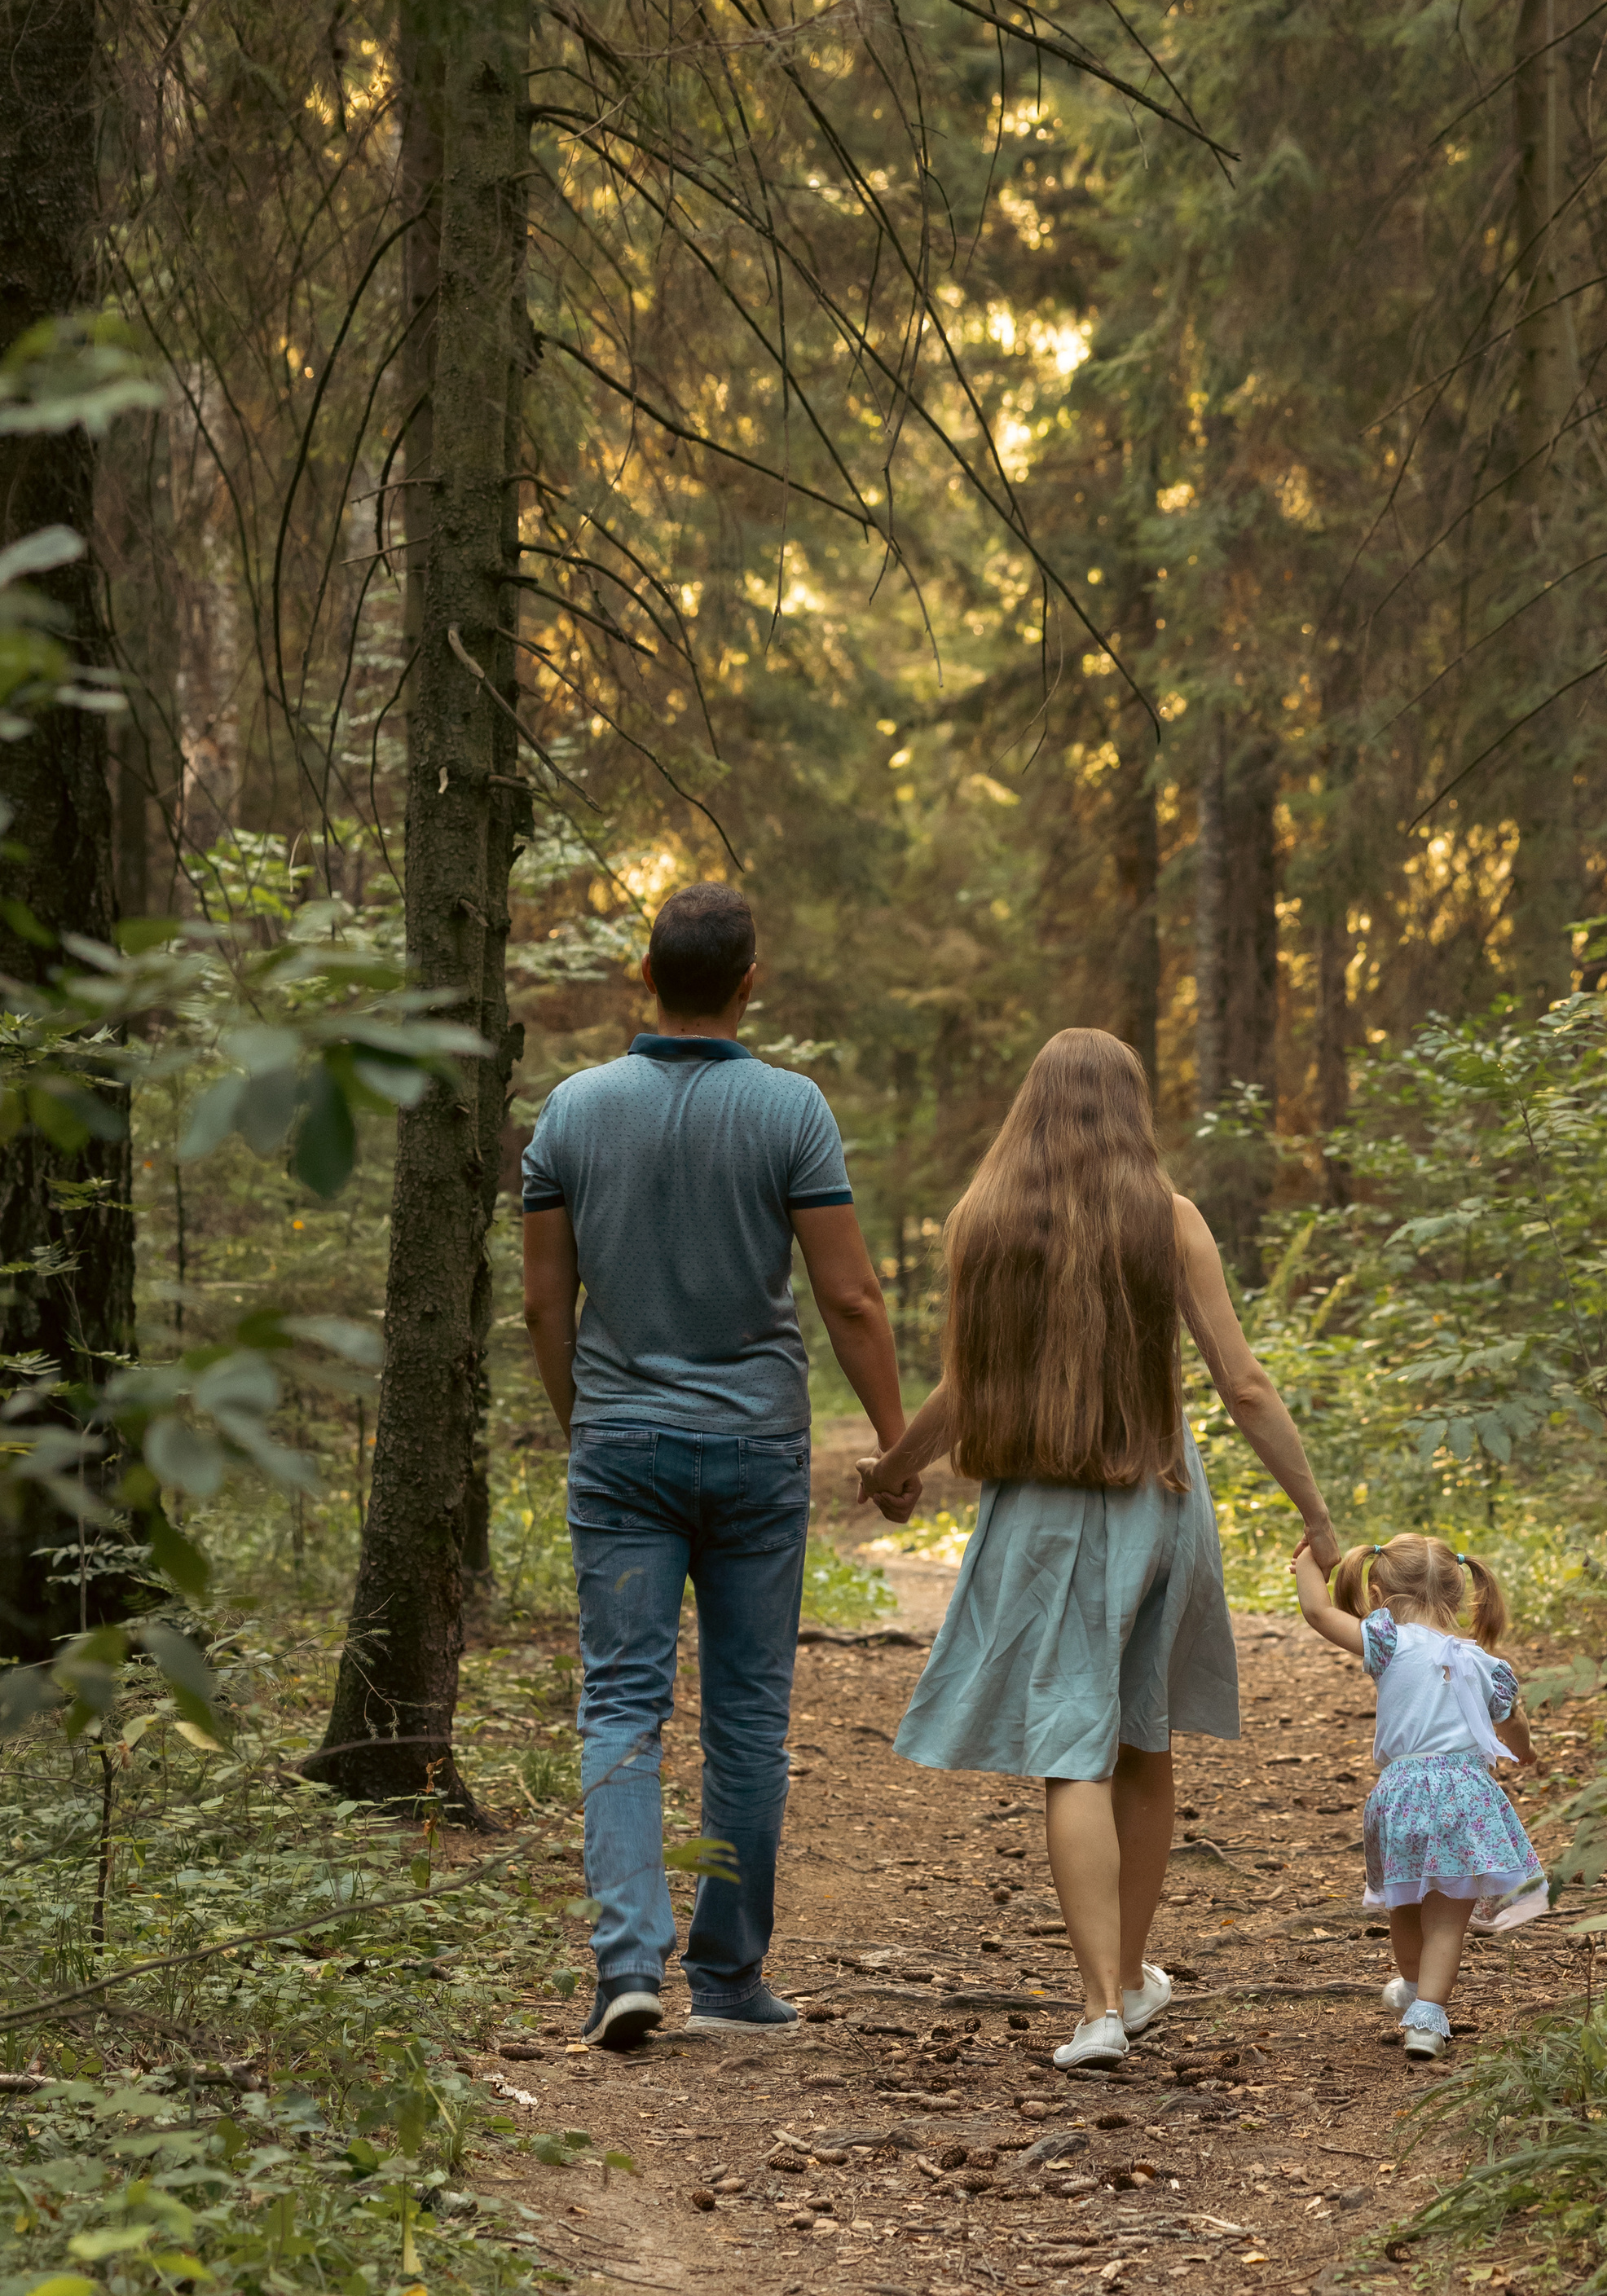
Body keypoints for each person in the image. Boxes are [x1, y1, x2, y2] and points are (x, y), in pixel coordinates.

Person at [854, 1028, 1341, 2069]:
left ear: (1032, 1107)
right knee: (1137, 1741)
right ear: (1131, 1110)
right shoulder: (1166, 1222)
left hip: (1035, 1515)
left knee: (1068, 1752)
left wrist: (899, 1466)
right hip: (1154, 1505)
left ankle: (1099, 2007)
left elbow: (966, 1387)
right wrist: (1316, 1514)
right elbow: (1242, 1383)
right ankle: (1122, 1979)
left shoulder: (983, 1225)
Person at [521, 884, 918, 2050]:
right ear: (750, 980)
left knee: (622, 1704)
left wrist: (583, 1415)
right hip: (752, 1448)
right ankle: (731, 1974)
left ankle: (624, 1966)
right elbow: (849, 1292)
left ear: (644, 976)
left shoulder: (572, 1109)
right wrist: (895, 1445)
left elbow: (547, 1299)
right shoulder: (789, 1108)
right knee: (748, 1716)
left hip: (620, 1447)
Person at [1290, 1533, 1547, 2060]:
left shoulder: (1386, 1642)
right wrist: (1526, 1753)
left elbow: (1317, 1612)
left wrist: (1306, 1563)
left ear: (1380, 1593)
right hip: (1465, 1798)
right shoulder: (1489, 1668)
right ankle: (1428, 2017)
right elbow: (1515, 1731)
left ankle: (1412, 1990)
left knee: (1404, 1905)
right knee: (1449, 1919)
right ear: (1459, 1597)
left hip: (1402, 1796)